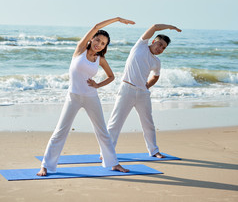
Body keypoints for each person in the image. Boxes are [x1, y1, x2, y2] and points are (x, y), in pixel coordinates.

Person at [37, 17, 135, 176]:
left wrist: (98, 85)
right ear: (91, 39)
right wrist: (117, 19)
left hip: (91, 98)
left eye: (103, 43)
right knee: (60, 131)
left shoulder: (100, 59)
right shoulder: (80, 50)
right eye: (97, 40)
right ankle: (46, 166)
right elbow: (96, 26)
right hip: (73, 97)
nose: (99, 44)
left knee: (102, 131)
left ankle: (113, 163)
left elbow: (111, 77)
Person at [106, 23, 182, 158]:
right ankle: (106, 152)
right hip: (127, 89)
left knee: (148, 123)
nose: (160, 48)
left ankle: (154, 150)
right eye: (159, 44)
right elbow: (154, 27)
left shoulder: (157, 61)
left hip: (143, 93)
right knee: (115, 122)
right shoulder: (140, 46)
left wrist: (147, 86)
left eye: (164, 48)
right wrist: (171, 27)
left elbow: (156, 76)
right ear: (153, 41)